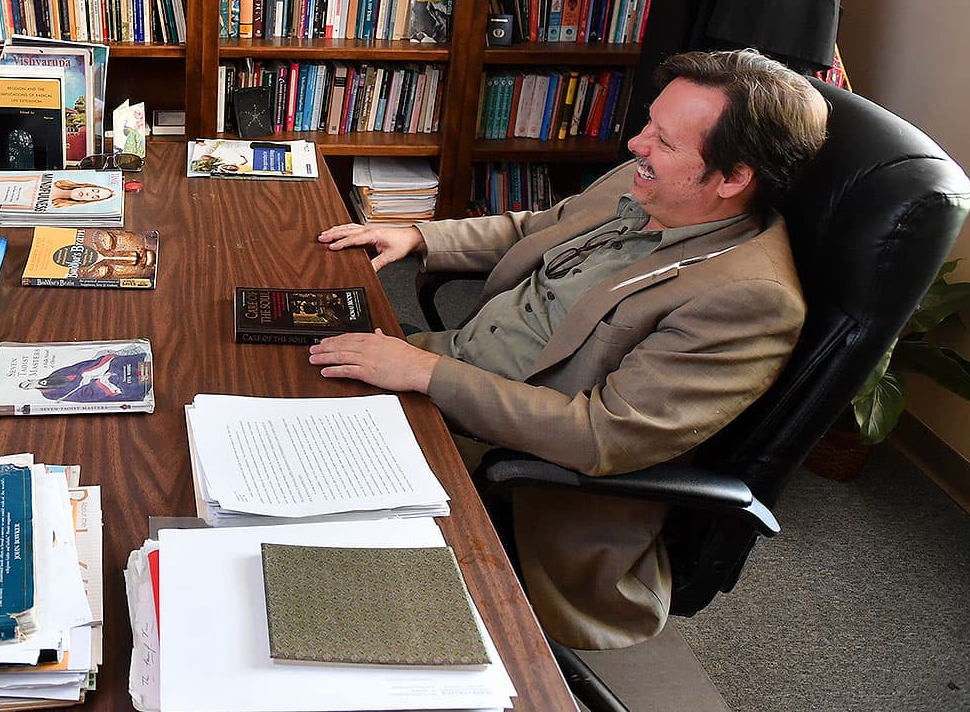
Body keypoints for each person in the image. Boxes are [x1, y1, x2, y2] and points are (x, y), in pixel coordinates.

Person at [310, 49, 830, 649]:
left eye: (663, 139)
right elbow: (540, 228)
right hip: (447, 362)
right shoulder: (653, 182)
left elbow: (599, 435)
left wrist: (427, 374)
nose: (637, 145)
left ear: (734, 178)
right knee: (263, 379)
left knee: (309, 536)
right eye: (648, 125)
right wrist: (418, 235)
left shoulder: (749, 300)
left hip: (514, 459)